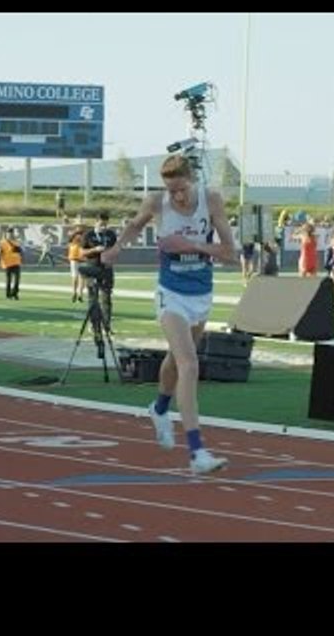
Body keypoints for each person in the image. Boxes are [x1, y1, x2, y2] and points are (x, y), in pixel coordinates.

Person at [101, 154, 238, 475]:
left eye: (181, 190)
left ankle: (159, 407)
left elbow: (230, 253)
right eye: (171, 191)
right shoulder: (157, 202)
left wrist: (191, 246)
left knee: (177, 360)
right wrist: (116, 248)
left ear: (193, 181)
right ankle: (197, 452)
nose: (177, 197)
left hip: (201, 293)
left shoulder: (211, 200)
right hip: (171, 294)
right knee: (190, 364)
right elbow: (135, 225)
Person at [81, 211, 117, 332]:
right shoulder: (88, 235)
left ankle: (107, 325)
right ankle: (94, 324)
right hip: (92, 267)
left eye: (105, 224)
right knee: (93, 298)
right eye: (101, 224)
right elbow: (82, 252)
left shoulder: (111, 234)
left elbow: (115, 250)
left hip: (106, 269)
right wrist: (94, 250)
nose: (104, 227)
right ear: (95, 222)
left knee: (106, 298)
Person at [0, 227, 22, 300]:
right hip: (7, 264)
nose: (10, 235)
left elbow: (19, 251)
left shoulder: (16, 241)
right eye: (9, 233)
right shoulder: (2, 243)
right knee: (9, 281)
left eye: (11, 233)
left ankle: (14, 293)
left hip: (16, 263)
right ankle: (8, 295)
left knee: (17, 280)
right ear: (6, 234)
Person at [67, 228, 87, 302]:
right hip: (78, 259)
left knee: (77, 277)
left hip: (76, 259)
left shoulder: (73, 240)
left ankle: (76, 293)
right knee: (80, 277)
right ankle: (79, 293)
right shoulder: (76, 240)